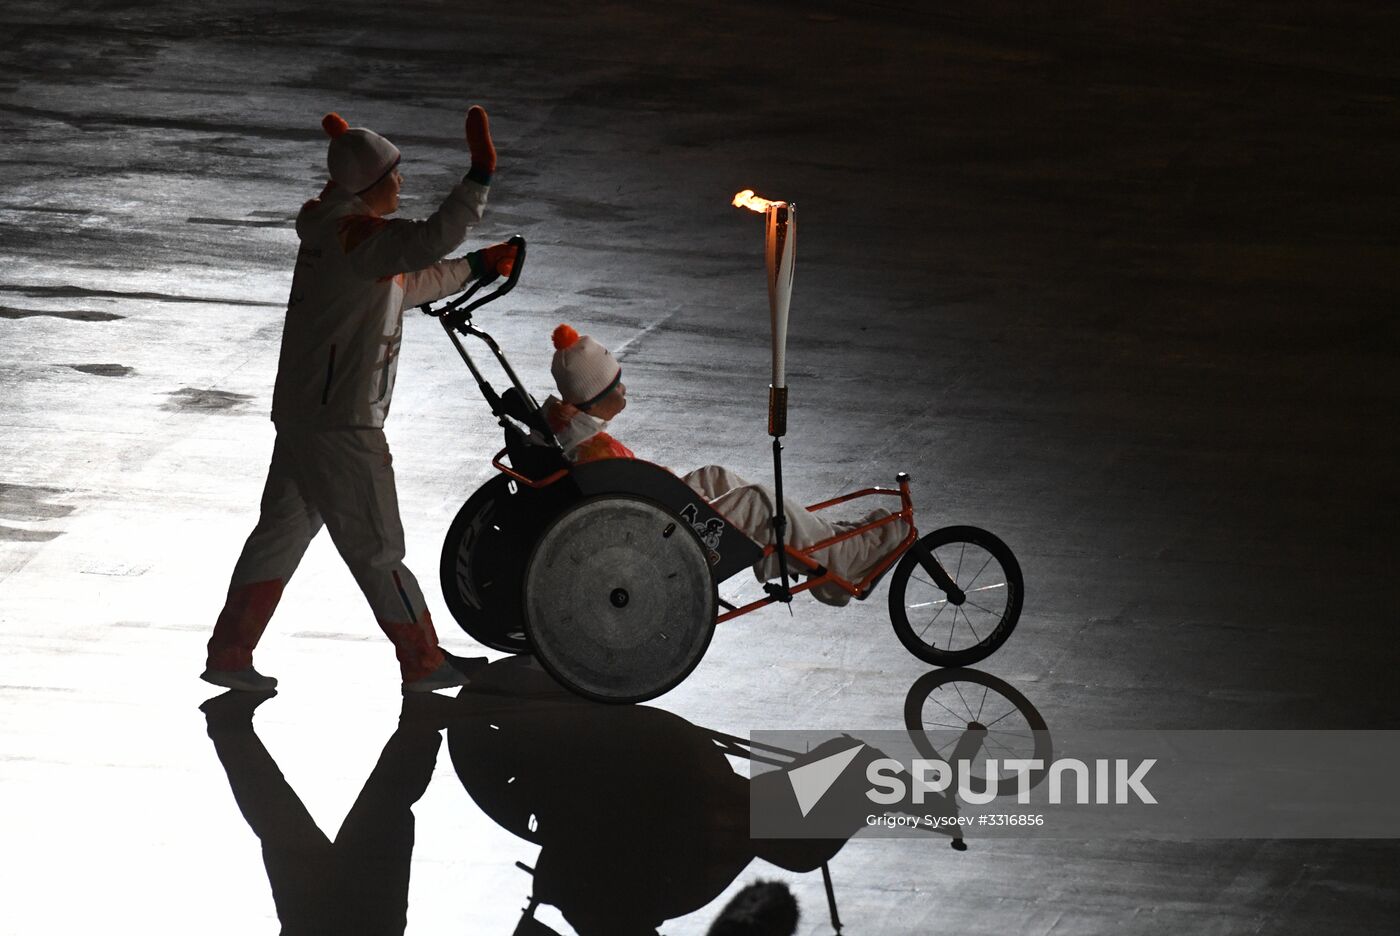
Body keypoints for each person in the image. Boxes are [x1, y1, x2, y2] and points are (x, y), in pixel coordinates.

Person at [203, 107, 518, 693]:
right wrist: (480, 173)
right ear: (372, 186)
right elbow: (429, 240)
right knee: (377, 549)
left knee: (278, 535)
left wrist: (477, 266)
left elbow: (405, 283)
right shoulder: (358, 235)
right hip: (344, 422)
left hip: (304, 417)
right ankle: (423, 662)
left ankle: (228, 654)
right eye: (395, 175)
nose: (402, 184)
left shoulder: (336, 230)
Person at [541, 324, 906, 604]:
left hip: (643, 518)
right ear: (596, 395)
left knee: (715, 477)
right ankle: (842, 563)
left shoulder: (570, 430)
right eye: (617, 385)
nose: (625, 390)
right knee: (758, 501)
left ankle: (827, 541)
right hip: (651, 541)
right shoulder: (594, 451)